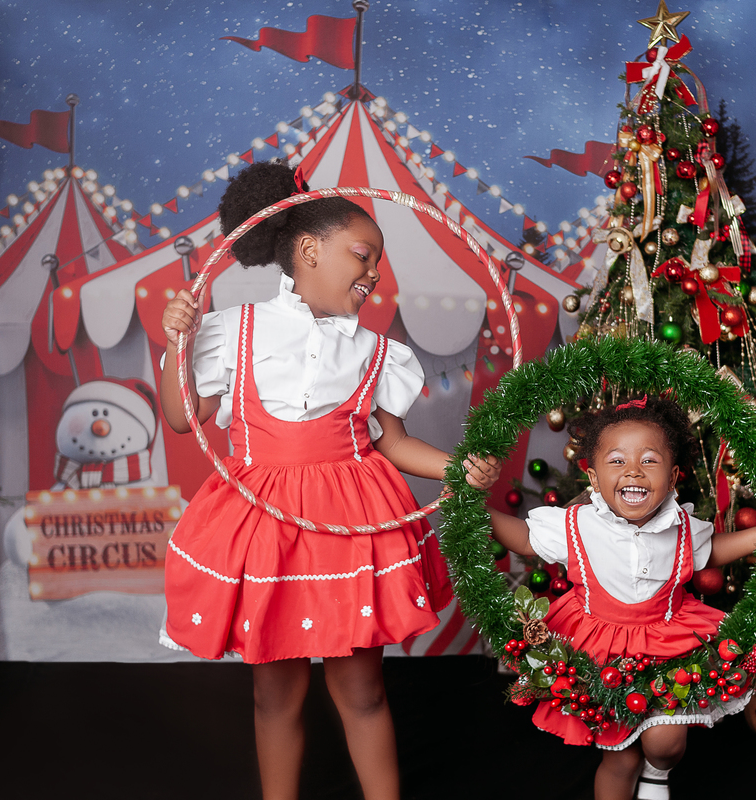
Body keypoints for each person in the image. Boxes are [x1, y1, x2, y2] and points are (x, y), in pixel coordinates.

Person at [158, 159, 500, 800]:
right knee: (275, 691)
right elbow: (183, 419)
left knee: (362, 688)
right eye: (363, 256)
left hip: (351, 525)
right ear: (309, 250)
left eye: (378, 263)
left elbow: (392, 442)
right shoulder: (232, 331)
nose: (374, 274)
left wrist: (457, 467)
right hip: (266, 525)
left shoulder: (374, 351)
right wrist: (178, 344)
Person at [487, 395, 756, 800]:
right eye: (617, 461)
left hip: (669, 643)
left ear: (673, 477)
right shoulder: (577, 524)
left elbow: (710, 551)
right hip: (602, 649)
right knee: (620, 760)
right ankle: (635, 770)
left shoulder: (681, 525)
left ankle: (658, 770)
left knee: (664, 744)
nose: (633, 470)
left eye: (649, 460)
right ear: (594, 478)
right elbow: (527, 540)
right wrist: (478, 513)